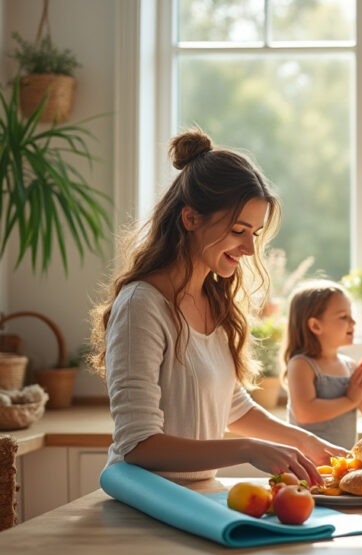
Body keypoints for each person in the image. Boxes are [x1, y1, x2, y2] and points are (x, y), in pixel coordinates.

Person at [90, 129, 346, 486]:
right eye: (239, 230)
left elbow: (231, 405)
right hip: (146, 501)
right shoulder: (141, 306)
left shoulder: (215, 302)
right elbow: (138, 444)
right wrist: (246, 449)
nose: (249, 249)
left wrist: (305, 441)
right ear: (191, 218)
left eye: (254, 233)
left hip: (197, 495)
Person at [283, 280, 362, 448]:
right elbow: (304, 413)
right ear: (315, 325)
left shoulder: (350, 366)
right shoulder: (301, 365)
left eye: (351, 316)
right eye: (344, 317)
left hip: (340, 463)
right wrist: (351, 400)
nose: (353, 322)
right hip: (305, 463)